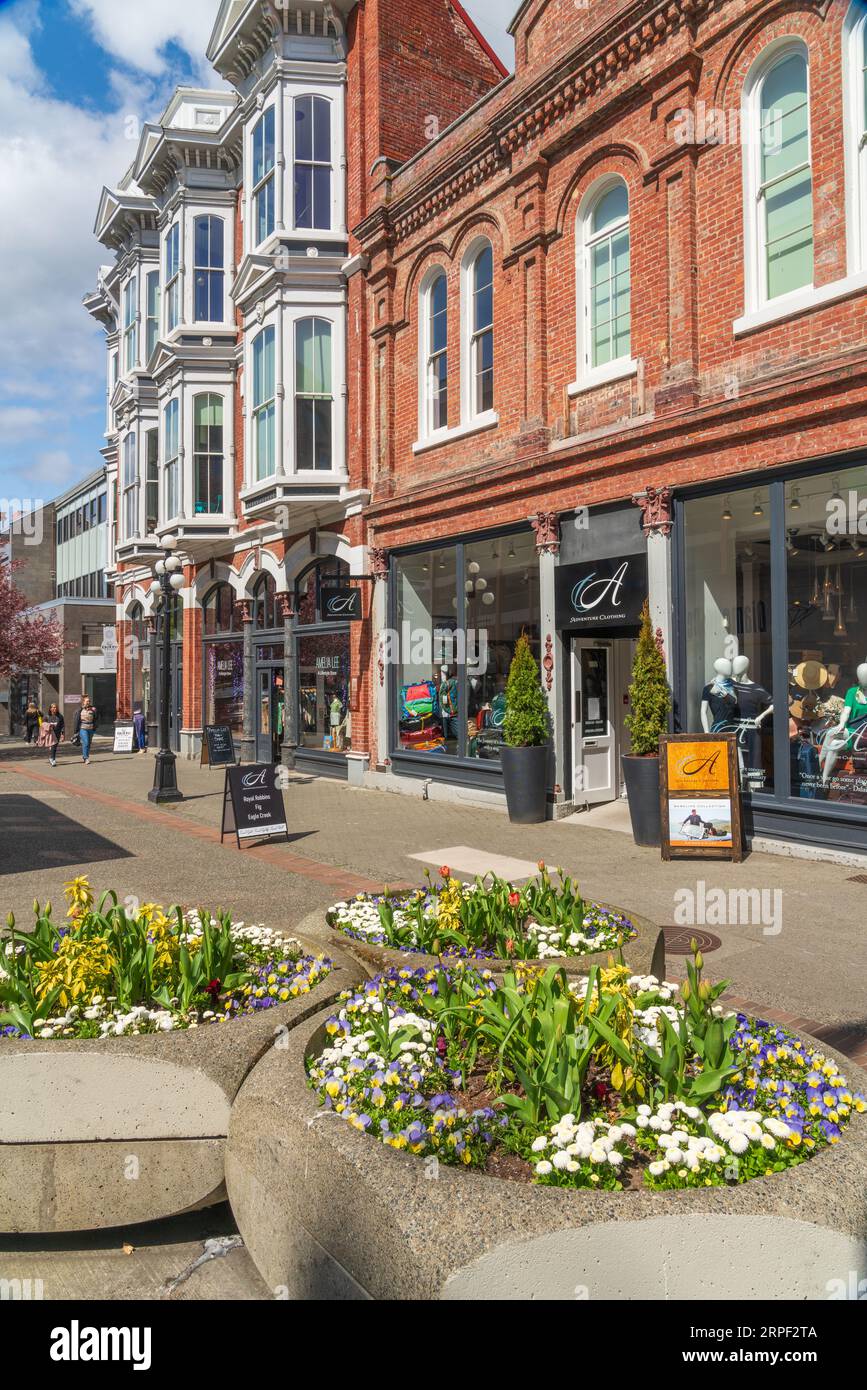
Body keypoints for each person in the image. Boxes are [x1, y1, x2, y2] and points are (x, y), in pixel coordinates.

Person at [75, 697, 97, 765]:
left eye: (89, 701)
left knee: (89, 743)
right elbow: (76, 720)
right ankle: (86, 757)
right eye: (87, 701)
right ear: (83, 702)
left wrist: (95, 727)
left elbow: (96, 718)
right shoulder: (80, 710)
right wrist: (75, 731)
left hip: (91, 728)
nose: (88, 702)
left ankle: (85, 756)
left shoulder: (93, 709)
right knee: (86, 742)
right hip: (83, 728)